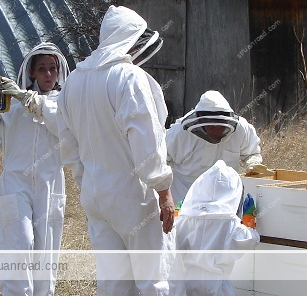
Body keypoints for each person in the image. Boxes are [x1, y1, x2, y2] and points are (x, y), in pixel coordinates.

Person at [56, 5, 174, 296]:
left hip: (96, 198)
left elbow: (68, 147)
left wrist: (89, 183)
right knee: (152, 280)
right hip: (135, 197)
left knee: (113, 283)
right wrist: (163, 190)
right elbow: (145, 136)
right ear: (131, 40)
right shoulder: (128, 78)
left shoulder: (73, 81)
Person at [0, 42, 70, 295]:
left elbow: (58, 123)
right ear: (31, 72)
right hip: (15, 183)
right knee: (19, 243)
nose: (48, 74)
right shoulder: (14, 105)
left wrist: (26, 98)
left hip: (49, 184)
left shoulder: (64, 103)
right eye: (42, 69)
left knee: (45, 251)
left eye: (52, 68)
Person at [171, 160, 260, 295]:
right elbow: (251, 240)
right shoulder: (229, 224)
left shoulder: (186, 219)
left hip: (187, 283)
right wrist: (249, 221)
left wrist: (177, 214)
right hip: (217, 286)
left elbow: (171, 238)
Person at [166, 90, 263, 204]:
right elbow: (160, 160)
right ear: (200, 119)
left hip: (226, 197)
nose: (216, 130)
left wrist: (253, 165)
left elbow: (252, 153)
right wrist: (164, 194)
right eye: (212, 126)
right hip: (185, 197)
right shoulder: (179, 133)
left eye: (220, 125)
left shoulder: (242, 129)